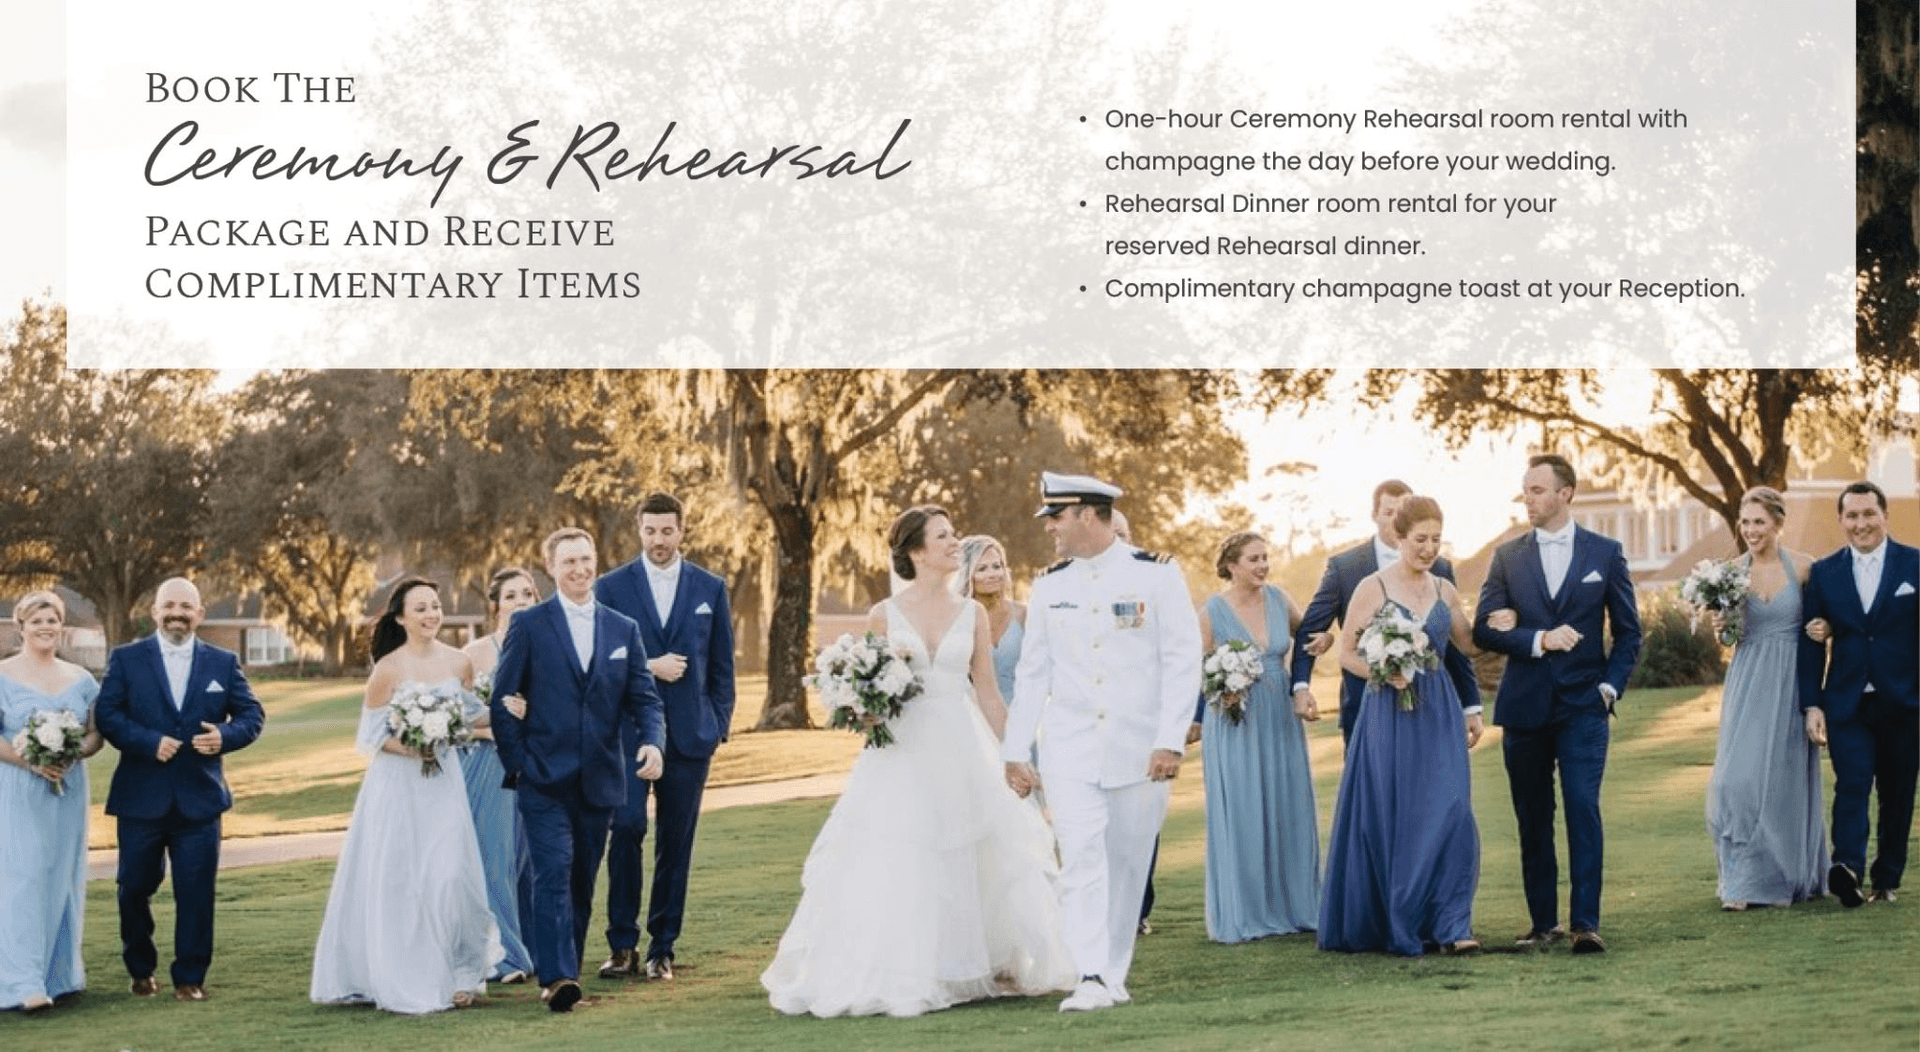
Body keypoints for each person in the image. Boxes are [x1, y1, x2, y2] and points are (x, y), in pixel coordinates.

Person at [763, 505, 1073, 1017]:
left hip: (962, 739)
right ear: (915, 551)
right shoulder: (884, 614)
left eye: (954, 535)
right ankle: (913, 967)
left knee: (976, 851)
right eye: (944, 536)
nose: (956, 544)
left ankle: (981, 961)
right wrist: (859, 707)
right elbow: (870, 689)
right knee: (905, 853)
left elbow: (990, 695)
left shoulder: (971, 614)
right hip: (903, 752)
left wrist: (1013, 753)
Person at [1003, 473, 1203, 1012]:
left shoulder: (1156, 575)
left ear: (1089, 515)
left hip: (1140, 751)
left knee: (1127, 863)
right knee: (1082, 857)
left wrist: (1169, 741)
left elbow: (1182, 661)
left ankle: (1113, 973)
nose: (1051, 530)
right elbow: (1033, 673)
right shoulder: (1049, 584)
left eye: (1058, 518)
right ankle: (1089, 974)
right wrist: (1015, 749)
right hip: (1069, 748)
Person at [491, 528, 665, 1012]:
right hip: (542, 780)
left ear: (596, 562)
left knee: (581, 881)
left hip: (602, 780)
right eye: (568, 561)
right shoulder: (530, 625)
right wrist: (519, 765)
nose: (579, 569)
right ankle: (559, 977)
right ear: (551, 567)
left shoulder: (622, 628)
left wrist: (653, 743)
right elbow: (503, 703)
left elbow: (645, 700)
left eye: (586, 559)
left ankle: (563, 962)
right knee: (552, 873)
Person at [1474, 455, 1641, 954]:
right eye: (1525, 490)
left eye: (1538, 490)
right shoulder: (1506, 558)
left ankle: (1585, 923)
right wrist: (1539, 638)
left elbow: (1630, 634)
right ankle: (1542, 922)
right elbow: (1484, 628)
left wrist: (1610, 686)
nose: (1528, 498)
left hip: (1584, 708)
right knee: (1532, 816)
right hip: (1524, 708)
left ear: (1566, 493)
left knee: (1582, 808)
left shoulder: (1605, 553)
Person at [311, 578, 500, 1013]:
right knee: (402, 878)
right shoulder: (388, 669)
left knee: (451, 875)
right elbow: (371, 736)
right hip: (398, 785)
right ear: (401, 617)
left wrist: (510, 709)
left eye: (435, 605)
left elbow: (471, 718)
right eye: (421, 608)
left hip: (444, 784)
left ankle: (461, 972)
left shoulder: (459, 663)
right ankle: (402, 973)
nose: (432, 614)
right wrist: (417, 744)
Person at [1319, 497, 1484, 956]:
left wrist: (1510, 621)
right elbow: (1347, 655)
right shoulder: (1373, 587)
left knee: (1452, 811)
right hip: (1388, 712)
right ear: (1398, 537)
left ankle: (1452, 923)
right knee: (1399, 815)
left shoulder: (1445, 590)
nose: (1429, 548)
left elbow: (1468, 646)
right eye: (1420, 539)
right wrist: (1381, 670)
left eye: (1436, 539)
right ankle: (1403, 918)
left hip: (1438, 710)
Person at [94, 576, 266, 1002]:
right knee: (133, 887)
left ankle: (190, 978)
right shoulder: (127, 659)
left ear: (199, 614)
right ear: (154, 612)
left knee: (196, 892)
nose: (177, 613)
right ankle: (140, 967)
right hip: (140, 798)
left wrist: (225, 736)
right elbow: (109, 715)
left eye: (186, 607)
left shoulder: (222, 664)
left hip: (199, 800)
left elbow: (252, 715)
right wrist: (148, 742)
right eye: (169, 605)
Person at [595, 492, 736, 982]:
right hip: (628, 735)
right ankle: (621, 944)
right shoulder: (610, 588)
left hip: (691, 738)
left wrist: (717, 725)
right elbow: (597, 664)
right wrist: (648, 667)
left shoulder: (709, 588)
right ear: (639, 529)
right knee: (628, 828)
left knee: (676, 843)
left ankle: (663, 947)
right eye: (650, 530)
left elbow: (722, 668)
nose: (659, 540)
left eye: (667, 531)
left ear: (681, 531)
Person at [1705, 487, 1828, 910]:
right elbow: (1728, 638)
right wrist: (1722, 624)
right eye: (1745, 521)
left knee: (1783, 782)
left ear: (1778, 522)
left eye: (1759, 521)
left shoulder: (1806, 568)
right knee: (1733, 782)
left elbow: (1822, 622)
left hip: (1793, 681)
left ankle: (1789, 876)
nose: (1751, 530)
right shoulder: (1730, 573)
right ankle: (1739, 883)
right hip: (1749, 679)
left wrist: (1825, 629)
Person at [1197, 532, 1321, 943]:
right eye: (1254, 559)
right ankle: (1246, 911)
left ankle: (1295, 906)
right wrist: (1213, 697)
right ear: (1232, 565)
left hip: (1279, 714)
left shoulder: (1279, 599)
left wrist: (1307, 674)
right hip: (1233, 718)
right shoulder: (1212, 611)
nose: (1263, 566)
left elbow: (1307, 641)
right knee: (1245, 807)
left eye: (1266, 557)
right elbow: (1193, 669)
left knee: (1287, 804)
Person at [1293, 479, 1482, 748]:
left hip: (1435, 704)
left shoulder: (1441, 571)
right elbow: (1312, 630)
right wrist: (1301, 686)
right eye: (1389, 512)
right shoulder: (1346, 567)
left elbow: (1455, 646)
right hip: (1368, 703)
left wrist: (1471, 704)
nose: (1429, 547)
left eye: (1402, 512)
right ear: (1376, 516)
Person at [1800, 481, 1917, 907]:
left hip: (1905, 702)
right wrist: (1812, 703)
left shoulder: (1914, 565)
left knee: (1897, 794)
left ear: (1884, 516)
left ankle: (1886, 880)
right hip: (1847, 701)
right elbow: (1810, 642)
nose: (1860, 523)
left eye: (1868, 514)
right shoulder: (1825, 573)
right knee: (1851, 784)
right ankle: (1847, 868)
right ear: (1841, 521)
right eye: (1852, 516)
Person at [0, 591, 103, 1012]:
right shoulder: (3, 675)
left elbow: (96, 734)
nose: (46, 627)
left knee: (62, 877)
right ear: (20, 626)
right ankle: (23, 983)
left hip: (68, 789)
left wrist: (70, 753)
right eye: (37, 620)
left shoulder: (81, 679)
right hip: (18, 788)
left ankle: (60, 975)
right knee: (22, 878)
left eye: (53, 620)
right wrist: (30, 762)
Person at [457, 566, 540, 983]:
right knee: (495, 860)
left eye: (528, 594)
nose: (521, 602)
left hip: (535, 767)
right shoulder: (474, 654)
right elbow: (459, 718)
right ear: (495, 606)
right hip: (487, 765)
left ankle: (531, 946)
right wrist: (504, 723)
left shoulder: (547, 647)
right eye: (511, 596)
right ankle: (505, 956)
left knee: (528, 862)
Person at [957, 534, 1024, 703]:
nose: (993, 574)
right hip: (973, 715)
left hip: (1020, 712)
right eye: (982, 569)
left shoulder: (1023, 615)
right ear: (967, 575)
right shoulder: (957, 620)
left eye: (997, 566)